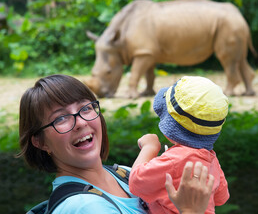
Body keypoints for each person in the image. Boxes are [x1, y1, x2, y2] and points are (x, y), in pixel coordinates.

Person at [18, 74, 214, 214]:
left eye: (85, 108)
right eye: (61, 119)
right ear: (40, 142)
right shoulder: (85, 208)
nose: (81, 122)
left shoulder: (124, 174)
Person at [129, 76, 230, 214]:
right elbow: (221, 198)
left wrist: (149, 148)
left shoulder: (174, 160)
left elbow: (136, 182)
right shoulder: (211, 159)